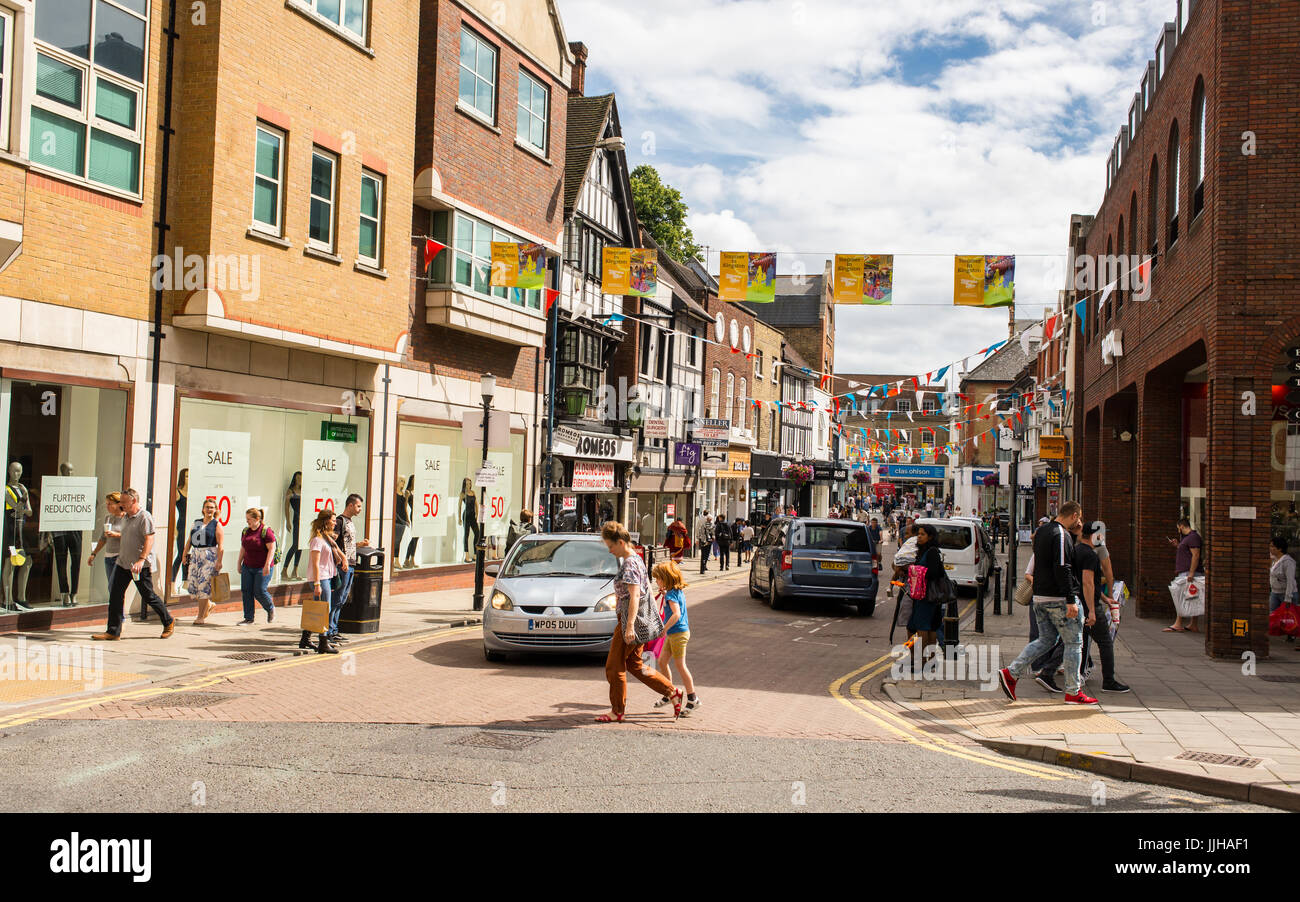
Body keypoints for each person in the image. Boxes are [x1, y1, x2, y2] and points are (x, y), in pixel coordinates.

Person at [997, 501, 1097, 705]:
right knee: (1075, 643)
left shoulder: (1042, 531)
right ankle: (1073, 692)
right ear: (1074, 515)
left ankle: (1011, 673)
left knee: (1047, 640)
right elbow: (1062, 567)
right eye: (1078, 518)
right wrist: (1070, 600)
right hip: (1059, 599)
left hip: (1040, 598)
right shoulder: (1061, 534)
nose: (1079, 522)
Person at [596, 521, 680, 723]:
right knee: (635, 665)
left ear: (622, 542)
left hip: (629, 621)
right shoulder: (638, 560)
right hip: (637, 621)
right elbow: (648, 591)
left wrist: (630, 626)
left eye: (611, 546)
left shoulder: (630, 564)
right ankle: (672, 691)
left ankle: (617, 710)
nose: (610, 551)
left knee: (614, 667)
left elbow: (634, 597)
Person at [1032, 521, 1129, 693]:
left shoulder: (1075, 551)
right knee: (1105, 642)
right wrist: (1092, 610)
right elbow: (1087, 583)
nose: (1102, 537)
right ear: (1094, 536)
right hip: (1087, 606)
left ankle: (1047, 672)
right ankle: (1109, 681)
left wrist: (1105, 598)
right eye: (1100, 535)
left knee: (1072, 640)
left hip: (1076, 603)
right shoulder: (1090, 555)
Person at [92, 488, 175, 640]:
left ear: (134, 501)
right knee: (115, 595)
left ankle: (168, 621)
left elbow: (149, 539)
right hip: (122, 563)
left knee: (148, 595)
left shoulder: (144, 517)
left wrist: (141, 559)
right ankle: (113, 631)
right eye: (120, 502)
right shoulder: (125, 517)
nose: (121, 505)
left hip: (139, 566)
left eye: (124, 502)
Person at [650, 560, 699, 715]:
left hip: (677, 633)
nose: (656, 581)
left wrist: (664, 629)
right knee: (662, 661)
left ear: (666, 578)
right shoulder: (675, 592)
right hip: (675, 633)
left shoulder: (671, 595)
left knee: (680, 666)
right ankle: (669, 692)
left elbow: (676, 614)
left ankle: (693, 698)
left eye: (658, 578)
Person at [300, 509, 339, 654]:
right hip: (320, 578)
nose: (335, 523)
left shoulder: (325, 538)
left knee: (317, 610)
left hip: (325, 578)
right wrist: (317, 584)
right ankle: (323, 642)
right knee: (324, 610)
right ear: (325, 521)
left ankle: (305, 638)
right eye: (333, 520)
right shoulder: (317, 540)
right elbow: (315, 563)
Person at [183, 497, 224, 625]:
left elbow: (221, 545)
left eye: (212, 507)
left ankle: (200, 616)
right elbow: (189, 540)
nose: (209, 510)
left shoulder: (216, 525)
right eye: (207, 507)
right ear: (203, 509)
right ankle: (209, 605)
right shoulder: (197, 522)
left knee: (204, 586)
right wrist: (185, 555)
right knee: (194, 585)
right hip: (195, 555)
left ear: (215, 509)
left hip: (209, 556)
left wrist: (219, 562)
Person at [329, 494, 363, 643]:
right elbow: (332, 542)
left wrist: (360, 545)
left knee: (342, 599)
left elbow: (348, 544)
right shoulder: (339, 521)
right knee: (337, 598)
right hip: (343, 565)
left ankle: (334, 629)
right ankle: (330, 630)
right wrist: (339, 558)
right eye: (358, 506)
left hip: (351, 563)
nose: (360, 509)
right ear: (350, 505)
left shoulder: (350, 522)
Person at [905, 523, 946, 650]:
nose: (919, 537)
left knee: (922, 627)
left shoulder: (932, 552)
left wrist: (916, 571)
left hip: (928, 597)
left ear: (930, 537)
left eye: (923, 534)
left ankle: (920, 661)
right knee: (921, 627)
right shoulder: (923, 551)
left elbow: (934, 572)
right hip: (921, 595)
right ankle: (928, 660)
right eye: (918, 534)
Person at [236, 508, 276, 625]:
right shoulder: (245, 531)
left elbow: (271, 549)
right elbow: (243, 548)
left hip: (262, 566)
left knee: (259, 590)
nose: (247, 521)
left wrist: (267, 564)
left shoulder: (266, 531)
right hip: (248, 566)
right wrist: (239, 562)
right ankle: (249, 618)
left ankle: (270, 608)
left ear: (257, 519)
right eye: (246, 519)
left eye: (249, 519)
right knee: (246, 590)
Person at [1165, 517, 1205, 633]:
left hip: (1189, 572)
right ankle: (1193, 624)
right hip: (1187, 572)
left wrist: (1191, 573)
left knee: (1181, 596)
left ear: (1181, 526)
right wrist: (1178, 545)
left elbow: (1195, 555)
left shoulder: (1193, 537)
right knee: (1192, 597)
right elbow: (1187, 553)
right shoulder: (1187, 538)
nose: (1178, 530)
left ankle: (1178, 623)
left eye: (1178, 528)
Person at [87, 491, 124, 588]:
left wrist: (116, 535)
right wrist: (94, 553)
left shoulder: (126, 518)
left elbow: (131, 536)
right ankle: (116, 603)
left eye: (110, 504)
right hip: (108, 556)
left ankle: (117, 603)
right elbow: (103, 538)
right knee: (111, 586)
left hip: (120, 556)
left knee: (115, 586)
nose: (107, 506)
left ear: (119, 503)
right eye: (106, 504)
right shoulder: (108, 518)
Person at [1269, 536, 1299, 643]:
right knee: (1273, 614)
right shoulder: (1275, 559)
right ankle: (1276, 632)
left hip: (1286, 593)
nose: (1270, 548)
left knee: (1290, 616)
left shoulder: (1288, 562)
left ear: (1279, 548)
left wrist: (1288, 597)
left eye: (1272, 546)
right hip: (1275, 592)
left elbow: (1290, 580)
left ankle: (1291, 635)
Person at [170, 467, 189, 593]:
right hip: (182, 524)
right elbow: (170, 510)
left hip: (191, 525)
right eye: (187, 476)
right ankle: (171, 582)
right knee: (181, 554)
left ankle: (186, 581)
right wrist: (174, 528)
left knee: (188, 554)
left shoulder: (192, 492)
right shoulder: (178, 492)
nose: (189, 479)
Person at [281, 471, 303, 580]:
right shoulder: (291, 491)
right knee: (295, 544)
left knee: (301, 545)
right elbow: (286, 507)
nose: (299, 480)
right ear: (294, 479)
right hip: (296, 519)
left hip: (304, 520)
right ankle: (284, 570)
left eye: (301, 478)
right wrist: (288, 521)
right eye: (298, 478)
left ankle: (295, 570)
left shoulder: (303, 490)